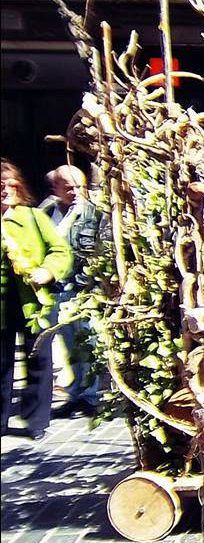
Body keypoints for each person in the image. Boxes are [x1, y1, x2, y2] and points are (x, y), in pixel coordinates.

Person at [1, 159, 73, 440]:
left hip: (34, 302)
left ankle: (36, 420)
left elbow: (61, 252)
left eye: (10, 184)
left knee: (39, 360)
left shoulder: (34, 217)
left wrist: (48, 271)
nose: (5, 190)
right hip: (3, 306)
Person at [44, 165, 109, 419]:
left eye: (78, 186)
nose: (74, 192)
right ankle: (75, 393)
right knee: (69, 345)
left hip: (83, 289)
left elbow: (101, 251)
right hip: (55, 290)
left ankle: (91, 396)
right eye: (68, 187)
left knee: (89, 343)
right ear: (56, 188)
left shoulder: (94, 214)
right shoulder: (47, 212)